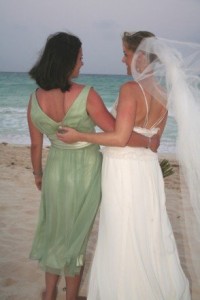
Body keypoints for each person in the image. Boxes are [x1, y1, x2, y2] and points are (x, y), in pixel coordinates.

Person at [57, 31, 200, 299]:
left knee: (121, 233)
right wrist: (146, 144)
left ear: (141, 56)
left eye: (126, 54)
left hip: (123, 171)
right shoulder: (164, 95)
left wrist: (80, 136)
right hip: (147, 171)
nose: (123, 60)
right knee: (149, 232)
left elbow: (120, 137)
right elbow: (154, 140)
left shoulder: (130, 90)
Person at [27, 31, 160, 300]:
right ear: (67, 61)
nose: (83, 63)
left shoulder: (34, 99)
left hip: (54, 171)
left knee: (54, 232)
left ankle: (50, 292)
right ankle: (71, 297)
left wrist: (39, 175)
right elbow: (116, 133)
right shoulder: (86, 94)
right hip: (86, 173)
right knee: (76, 239)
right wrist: (148, 143)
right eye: (80, 58)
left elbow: (35, 146)